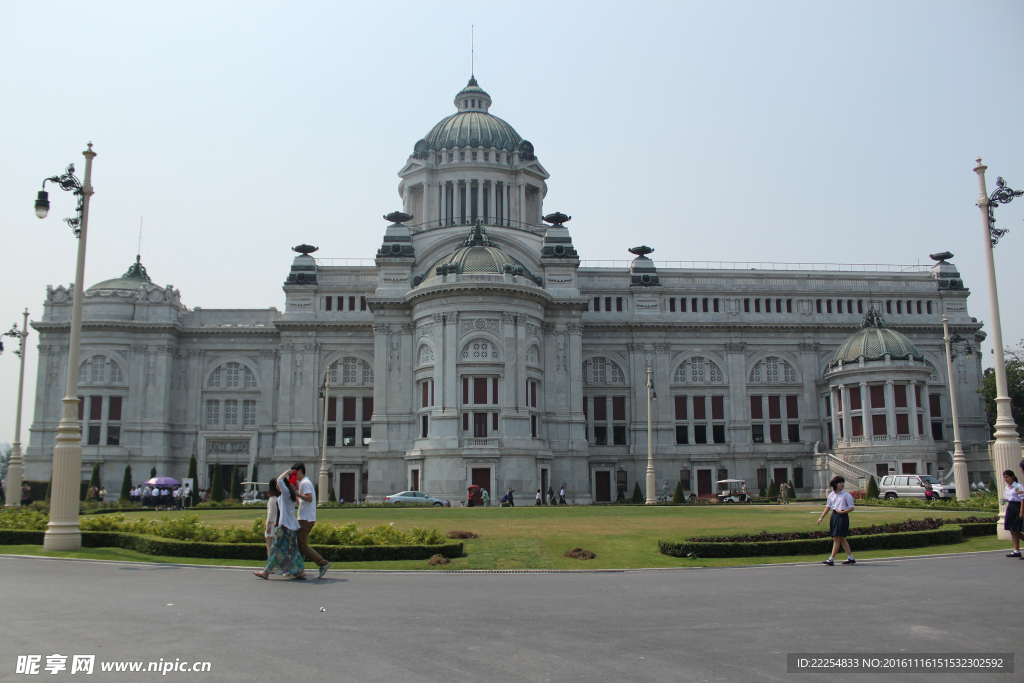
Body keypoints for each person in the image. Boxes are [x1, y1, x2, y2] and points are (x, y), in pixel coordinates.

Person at [253, 468, 306, 580]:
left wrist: (287, 472)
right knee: (291, 550)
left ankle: (266, 572)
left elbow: (279, 481)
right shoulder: (290, 495)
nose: (277, 487)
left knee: (275, 549)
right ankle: (299, 571)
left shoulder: (285, 493)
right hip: (291, 526)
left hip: (285, 527)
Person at [292, 463, 331, 579]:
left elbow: (309, 498)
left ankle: (323, 563)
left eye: (294, 473)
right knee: (300, 545)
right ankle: (299, 570)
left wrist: (296, 493)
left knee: (302, 545)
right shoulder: (304, 483)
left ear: (299, 471)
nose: (294, 475)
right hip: (305, 517)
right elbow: (302, 502)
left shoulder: (304, 483)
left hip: (305, 519)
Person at [817, 475, 855, 565]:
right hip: (834, 516)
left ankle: (831, 559)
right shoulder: (831, 495)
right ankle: (850, 558)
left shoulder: (846, 495)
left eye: (843, 483)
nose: (842, 485)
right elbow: (828, 507)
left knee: (836, 538)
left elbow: (852, 508)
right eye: (840, 483)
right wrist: (821, 517)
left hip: (842, 516)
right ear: (835, 484)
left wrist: (843, 512)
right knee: (841, 538)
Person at [1001, 469, 1024, 558]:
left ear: (1012, 477)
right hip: (1010, 507)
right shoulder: (1007, 487)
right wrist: (1004, 500)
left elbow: (1022, 498)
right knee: (1011, 530)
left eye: (1007, 477)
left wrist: (1021, 512)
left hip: (1017, 507)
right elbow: (1009, 498)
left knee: (1016, 530)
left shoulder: (1018, 486)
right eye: (1004, 477)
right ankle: (1016, 550)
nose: (1005, 479)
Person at [264, 477, 280, 557]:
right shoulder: (279, 499)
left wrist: (267, 525)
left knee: (270, 548)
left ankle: (269, 568)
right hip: (277, 524)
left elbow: (270, 515)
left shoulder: (272, 499)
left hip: (272, 525)